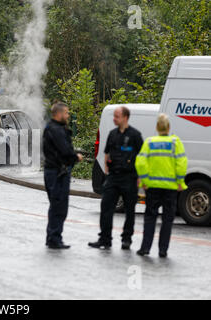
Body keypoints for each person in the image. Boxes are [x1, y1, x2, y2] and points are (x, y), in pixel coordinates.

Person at [89, 106, 143, 250]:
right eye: (114, 116)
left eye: (117, 116)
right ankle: (104, 239)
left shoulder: (135, 135)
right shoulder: (112, 134)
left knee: (129, 210)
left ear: (125, 117)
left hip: (129, 178)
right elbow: (106, 152)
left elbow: (142, 157)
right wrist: (106, 170)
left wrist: (140, 176)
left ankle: (127, 239)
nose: (114, 119)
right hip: (113, 177)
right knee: (106, 207)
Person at [135, 114, 188, 258]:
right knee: (167, 219)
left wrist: (145, 181)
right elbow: (181, 163)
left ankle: (145, 248)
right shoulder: (175, 143)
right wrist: (180, 182)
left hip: (152, 187)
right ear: (169, 127)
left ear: (157, 128)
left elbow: (140, 162)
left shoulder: (150, 142)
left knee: (150, 217)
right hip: (170, 188)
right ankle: (163, 250)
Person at [43, 101, 83, 249]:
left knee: (55, 205)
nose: (68, 115)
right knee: (59, 206)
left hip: (53, 171)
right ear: (58, 114)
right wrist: (76, 157)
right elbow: (65, 151)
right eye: (66, 113)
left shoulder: (51, 128)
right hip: (58, 173)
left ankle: (52, 237)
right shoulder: (57, 130)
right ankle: (54, 238)